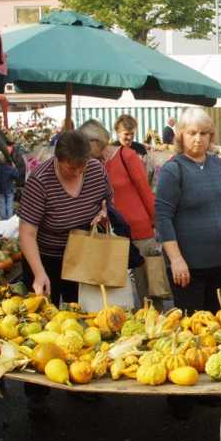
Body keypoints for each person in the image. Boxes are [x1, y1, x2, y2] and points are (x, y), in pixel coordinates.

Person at [155, 108, 221, 314]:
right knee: (194, 326)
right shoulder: (173, 169)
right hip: (189, 269)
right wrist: (176, 259)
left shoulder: (220, 166)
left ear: (211, 136)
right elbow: (163, 218)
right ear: (181, 135)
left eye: (204, 133)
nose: (198, 138)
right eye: (192, 133)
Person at [18, 131, 112, 305]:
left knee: (82, 310)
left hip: (83, 255)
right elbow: (26, 234)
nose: (78, 172)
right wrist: (39, 273)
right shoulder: (40, 180)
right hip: (45, 257)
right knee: (45, 312)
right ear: (58, 159)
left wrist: (104, 214)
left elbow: (107, 203)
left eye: (82, 166)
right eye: (71, 168)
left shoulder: (96, 170)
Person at [77, 119, 160, 309]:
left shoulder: (126, 155)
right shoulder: (90, 164)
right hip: (112, 234)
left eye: (84, 144)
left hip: (138, 230)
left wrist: (155, 223)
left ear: (95, 141)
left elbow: (145, 191)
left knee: (148, 290)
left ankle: (155, 322)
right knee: (117, 291)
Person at [0, 153, 19, 219]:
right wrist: (14, 167)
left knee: (2, 205)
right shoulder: (10, 168)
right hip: (9, 189)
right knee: (10, 205)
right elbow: (17, 175)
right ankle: (10, 219)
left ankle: (3, 220)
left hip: (0, 190)